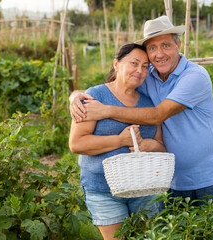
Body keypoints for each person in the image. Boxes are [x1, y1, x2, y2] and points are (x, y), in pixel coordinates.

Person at [70, 16, 213, 209]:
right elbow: (117, 87)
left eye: (166, 45)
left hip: (205, 178)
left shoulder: (195, 77)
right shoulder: (148, 76)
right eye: (152, 48)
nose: (159, 54)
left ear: (178, 45)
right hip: (168, 179)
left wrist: (105, 111)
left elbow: (157, 115)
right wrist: (76, 96)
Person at [69, 43, 166, 240]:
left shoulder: (148, 103)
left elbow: (161, 146)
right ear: (116, 64)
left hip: (144, 187)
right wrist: (120, 140)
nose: (139, 70)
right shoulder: (95, 96)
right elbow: (76, 144)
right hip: (102, 189)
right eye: (134, 63)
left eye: (146, 66)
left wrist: (147, 146)